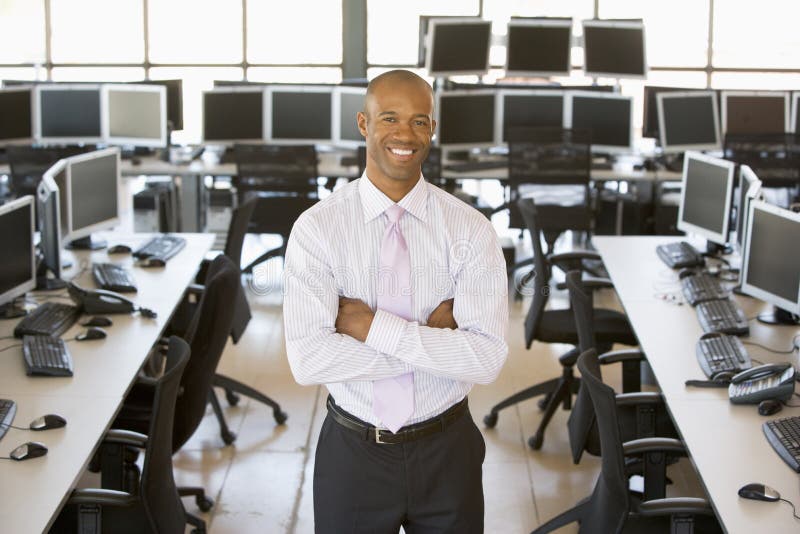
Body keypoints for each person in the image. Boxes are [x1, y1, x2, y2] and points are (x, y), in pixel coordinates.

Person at [284, 69, 508, 533]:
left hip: (448, 450)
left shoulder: (470, 230)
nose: (405, 134)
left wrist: (371, 329)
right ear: (364, 124)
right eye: (390, 118)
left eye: (420, 121)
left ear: (433, 129)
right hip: (354, 450)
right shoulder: (317, 229)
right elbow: (308, 361)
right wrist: (435, 344)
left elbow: (485, 359)